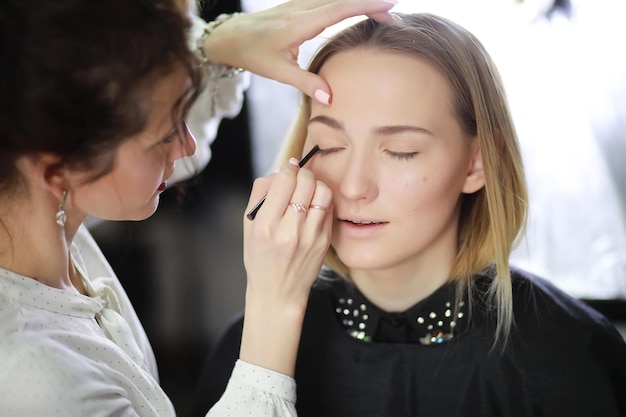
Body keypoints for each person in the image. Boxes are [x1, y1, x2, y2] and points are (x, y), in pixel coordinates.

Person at [191, 12, 626, 417]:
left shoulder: (568, 353)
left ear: (477, 163)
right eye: (328, 146)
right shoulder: (252, 344)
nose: (355, 186)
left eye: (401, 152)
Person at [0, 0, 397, 416]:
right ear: (59, 168)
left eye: (401, 150)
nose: (188, 146)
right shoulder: (35, 381)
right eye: (165, 134)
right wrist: (273, 303)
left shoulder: (36, 207)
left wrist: (217, 41)